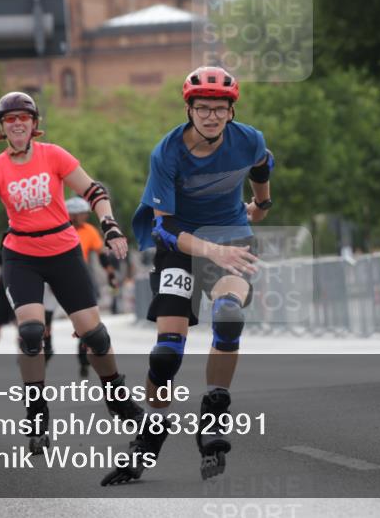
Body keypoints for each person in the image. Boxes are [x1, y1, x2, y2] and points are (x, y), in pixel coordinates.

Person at [102, 67, 273, 485]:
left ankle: (213, 417)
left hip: (231, 237)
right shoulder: (168, 152)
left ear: (231, 112)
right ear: (189, 109)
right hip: (180, 245)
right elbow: (163, 227)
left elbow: (263, 165)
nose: (211, 116)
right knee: (166, 355)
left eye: (219, 108)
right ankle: (152, 433)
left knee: (230, 318)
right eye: (202, 108)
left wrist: (262, 205)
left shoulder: (248, 139)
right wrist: (211, 248)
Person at [0, 91, 144, 456]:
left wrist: (109, 225)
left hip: (63, 250)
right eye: (9, 119)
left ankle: (117, 396)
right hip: (21, 255)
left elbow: (94, 191)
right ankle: (36, 414)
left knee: (95, 335)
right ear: (1, 127)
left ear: (34, 125)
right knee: (31, 332)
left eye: (23, 118)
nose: (17, 124)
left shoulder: (54, 155)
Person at [65, 196, 119, 377]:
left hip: (80, 276)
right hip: (57, 276)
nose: (86, 217)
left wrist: (111, 274)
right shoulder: (60, 229)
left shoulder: (89, 230)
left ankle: (83, 357)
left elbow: (102, 255)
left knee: (87, 322)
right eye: (82, 214)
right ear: (71, 215)